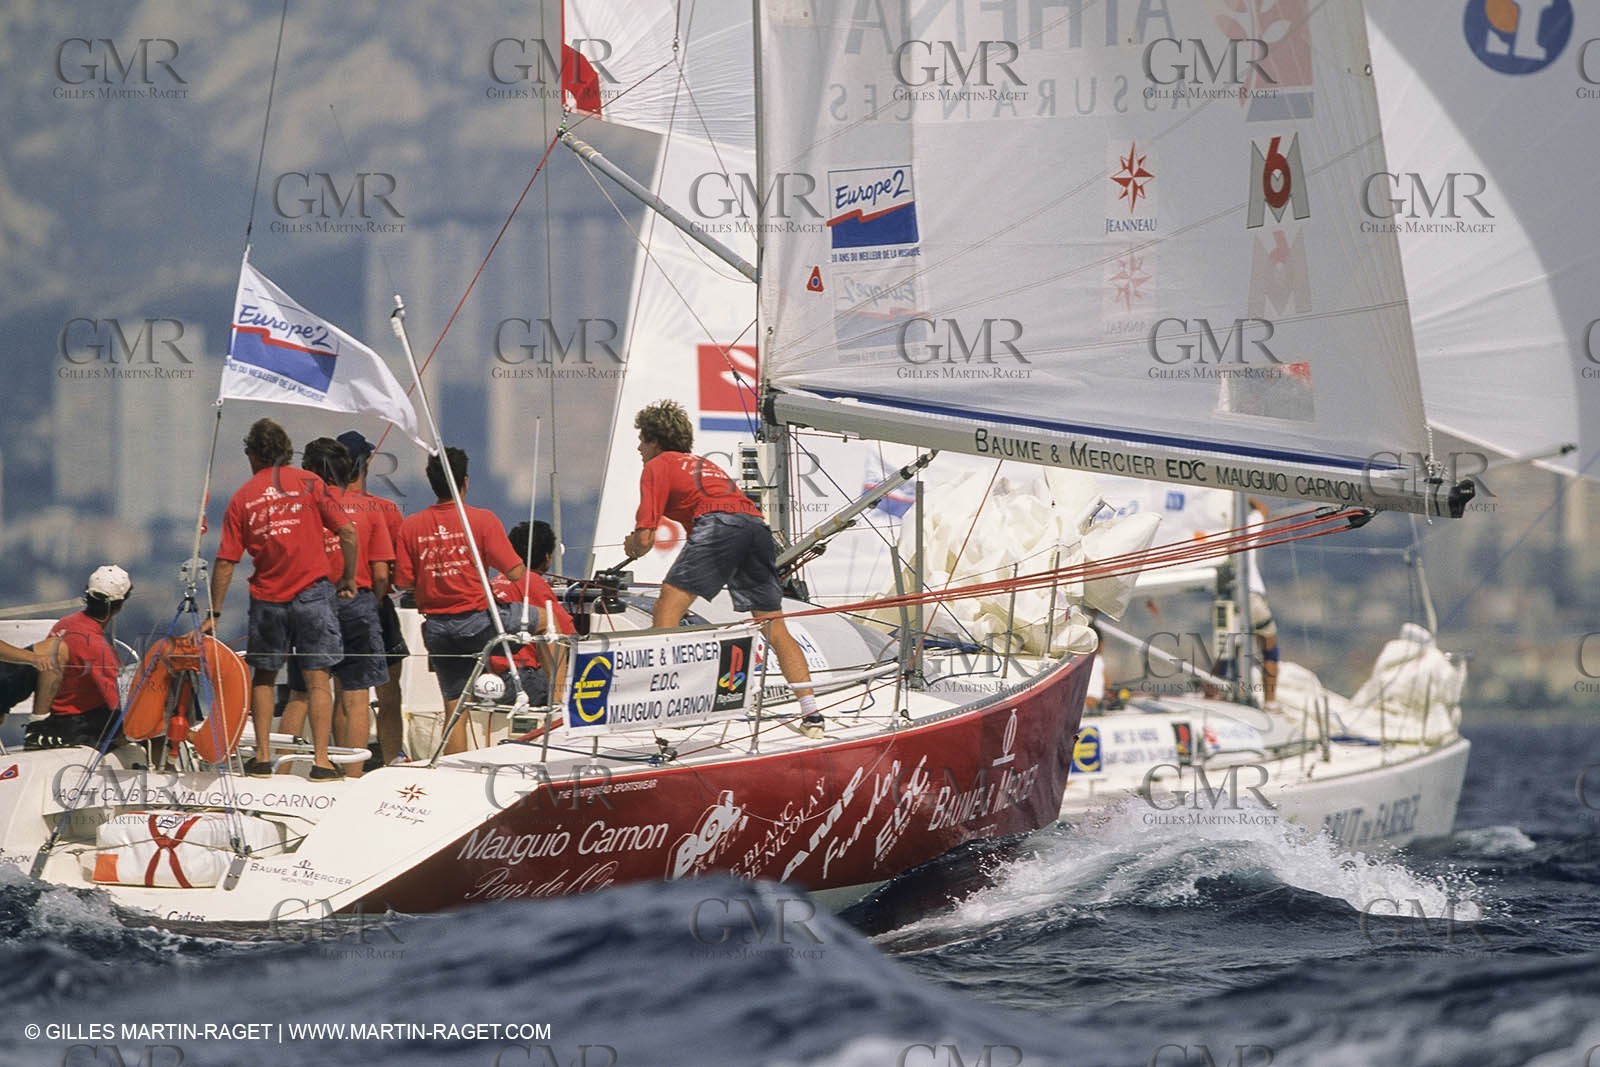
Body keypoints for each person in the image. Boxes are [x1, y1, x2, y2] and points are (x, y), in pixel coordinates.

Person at [620, 400, 824, 737]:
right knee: (773, 626)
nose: (639, 448)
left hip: (718, 524)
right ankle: (811, 712)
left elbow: (645, 539)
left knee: (667, 606)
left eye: (642, 440)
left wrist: (633, 546)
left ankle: (662, 707)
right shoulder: (703, 465)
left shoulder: (658, 465)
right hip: (756, 526)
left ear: (655, 440)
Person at [206, 418, 357, 780]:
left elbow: (226, 561)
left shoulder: (242, 497)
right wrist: (348, 577)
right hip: (313, 594)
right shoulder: (309, 483)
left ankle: (261, 759)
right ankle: (321, 761)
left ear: (255, 454)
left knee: (265, 677)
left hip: (267, 597)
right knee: (318, 678)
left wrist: (214, 611)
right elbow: (347, 530)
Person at [393, 446, 529, 754]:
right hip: (479, 622)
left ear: (432, 483)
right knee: (544, 620)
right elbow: (517, 572)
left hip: (438, 630)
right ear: (465, 482)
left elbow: (402, 582)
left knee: (455, 707)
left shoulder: (411, 526)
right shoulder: (481, 521)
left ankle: (455, 769)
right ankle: (555, 699)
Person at [278, 438, 393, 778]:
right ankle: (353, 777)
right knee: (356, 696)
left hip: (310, 601)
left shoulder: (299, 507)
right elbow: (382, 574)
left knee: (301, 693)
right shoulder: (370, 510)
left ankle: (278, 772)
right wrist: (370, 600)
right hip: (356, 602)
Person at [337, 429, 409, 765]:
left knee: (342, 693)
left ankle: (338, 760)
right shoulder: (386, 510)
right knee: (388, 693)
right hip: (374, 605)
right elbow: (392, 570)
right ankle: (392, 758)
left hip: (330, 604)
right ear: (366, 465)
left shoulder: (321, 507)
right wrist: (380, 597)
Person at [23, 565, 131, 750]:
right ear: (119, 605)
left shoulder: (65, 624)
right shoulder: (98, 648)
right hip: (78, 724)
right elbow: (118, 702)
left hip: (55, 716)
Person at [488, 520, 574, 707]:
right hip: (520, 681)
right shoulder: (533, 583)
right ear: (546, 557)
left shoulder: (497, 581)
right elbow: (566, 635)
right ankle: (558, 706)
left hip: (490, 678)